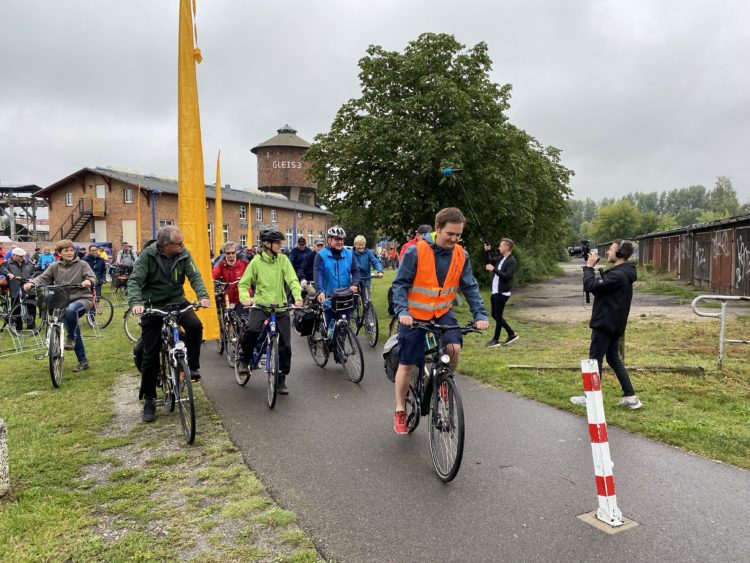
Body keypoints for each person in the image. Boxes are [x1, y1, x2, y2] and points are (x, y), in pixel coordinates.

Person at [391, 207, 489, 434]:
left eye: (458, 235)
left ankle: (443, 381)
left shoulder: (460, 254)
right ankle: (399, 409)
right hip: (414, 315)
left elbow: (470, 287)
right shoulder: (416, 251)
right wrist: (402, 311)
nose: (454, 239)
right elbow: (400, 285)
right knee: (407, 364)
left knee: (453, 349)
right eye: (450, 234)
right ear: (437, 229)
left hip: (442, 311)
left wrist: (480, 315)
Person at [127, 226, 211, 423]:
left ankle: (192, 365)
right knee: (151, 354)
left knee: (195, 326)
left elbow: (195, 276)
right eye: (178, 243)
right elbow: (135, 281)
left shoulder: (183, 254)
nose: (183, 246)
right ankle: (149, 399)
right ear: (165, 245)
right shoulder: (147, 256)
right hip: (152, 305)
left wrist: (203, 296)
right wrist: (137, 303)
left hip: (176, 301)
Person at [570, 239, 642, 410]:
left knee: (594, 360)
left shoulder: (618, 275)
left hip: (605, 322)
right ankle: (631, 397)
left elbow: (590, 286)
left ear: (619, 254)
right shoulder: (622, 272)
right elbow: (598, 288)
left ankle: (591, 397)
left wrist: (588, 267)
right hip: (614, 323)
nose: (608, 252)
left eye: (611, 249)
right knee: (613, 358)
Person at [236, 228, 302, 394]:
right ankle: (244, 359)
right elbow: (244, 283)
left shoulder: (283, 260)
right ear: (267, 244)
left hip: (280, 307)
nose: (281, 245)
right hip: (261, 306)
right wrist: (245, 297)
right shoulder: (256, 262)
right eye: (278, 242)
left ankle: (281, 378)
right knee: (252, 330)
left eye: (281, 242)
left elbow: (293, 280)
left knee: (286, 345)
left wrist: (297, 297)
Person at [24, 239, 97, 372]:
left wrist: (87, 281)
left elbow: (92, 277)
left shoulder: (82, 264)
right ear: (59, 253)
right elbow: (42, 278)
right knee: (73, 327)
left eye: (71, 250)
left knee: (70, 312)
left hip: (82, 299)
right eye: (66, 250)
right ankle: (83, 360)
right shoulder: (54, 266)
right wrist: (32, 283)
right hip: (63, 300)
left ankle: (70, 338)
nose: (69, 253)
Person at [313, 225, 360, 345]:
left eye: (341, 239)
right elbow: (318, 274)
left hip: (346, 297)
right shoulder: (321, 255)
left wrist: (354, 284)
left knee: (344, 326)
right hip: (329, 297)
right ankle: (330, 344)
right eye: (336, 239)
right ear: (329, 240)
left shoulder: (350, 254)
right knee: (331, 328)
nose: (339, 242)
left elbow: (355, 271)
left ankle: (340, 348)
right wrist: (320, 291)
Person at [484, 238, 519, 347]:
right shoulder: (500, 258)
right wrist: (487, 251)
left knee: (498, 315)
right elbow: (488, 262)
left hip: (502, 293)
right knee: (494, 315)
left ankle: (495, 340)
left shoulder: (512, 261)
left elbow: (507, 276)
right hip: (495, 291)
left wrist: (493, 269)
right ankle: (511, 333)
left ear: (507, 247)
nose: (499, 247)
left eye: (501, 246)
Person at [0, 247, 37, 330]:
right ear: (13, 255)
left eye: (23, 256)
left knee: (32, 307)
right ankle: (18, 326)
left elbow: (35, 271)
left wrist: (32, 278)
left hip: (29, 287)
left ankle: (31, 326)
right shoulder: (7, 263)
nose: (22, 258)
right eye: (20, 256)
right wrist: (8, 273)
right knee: (16, 309)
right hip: (15, 289)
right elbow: (2, 269)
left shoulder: (28, 263)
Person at [212, 241, 249, 310]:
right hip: (228, 298)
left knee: (244, 318)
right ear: (224, 254)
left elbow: (252, 275)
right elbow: (214, 274)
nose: (231, 255)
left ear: (236, 252)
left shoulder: (244, 263)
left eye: (233, 252)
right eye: (228, 253)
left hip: (243, 297)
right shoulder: (221, 265)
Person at [352, 235, 384, 301]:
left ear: (365, 244)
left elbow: (375, 262)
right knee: (352, 302)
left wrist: (380, 271)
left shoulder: (368, 252)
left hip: (366, 280)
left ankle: (367, 310)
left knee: (367, 301)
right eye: (359, 245)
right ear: (355, 245)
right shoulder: (351, 253)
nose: (361, 247)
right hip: (354, 281)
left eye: (362, 245)